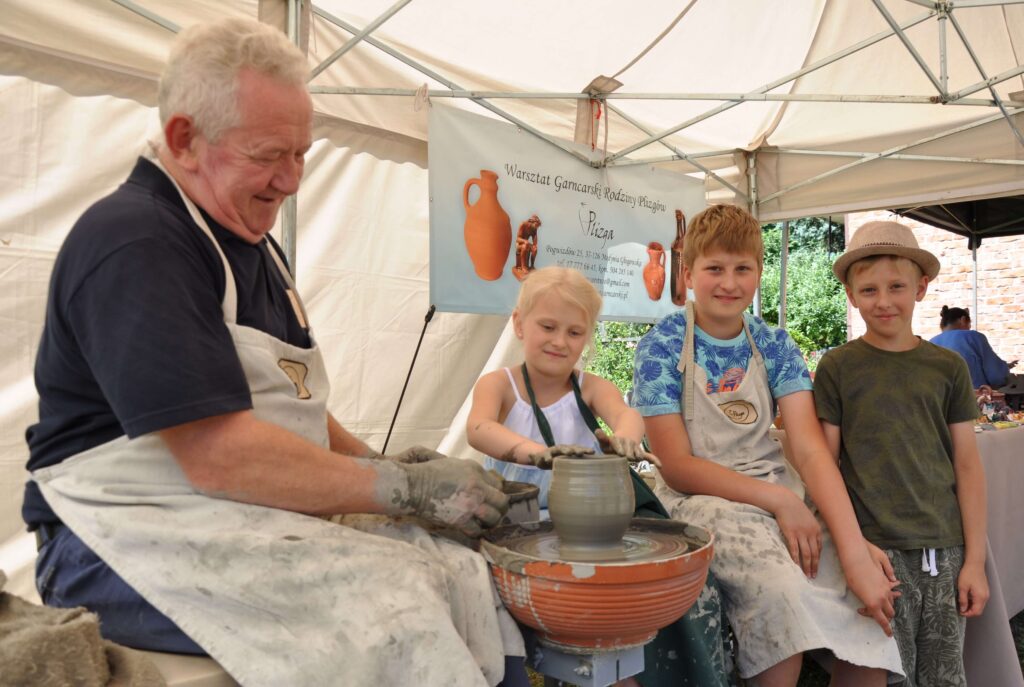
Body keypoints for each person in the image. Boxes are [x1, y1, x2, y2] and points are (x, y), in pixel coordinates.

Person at [24, 18, 525, 686]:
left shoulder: (254, 243)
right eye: (268, 155)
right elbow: (218, 453)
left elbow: (291, 413)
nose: (290, 181)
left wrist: (385, 468)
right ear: (185, 139)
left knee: (460, 567)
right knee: (390, 600)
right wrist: (399, 490)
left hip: (223, 511)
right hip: (112, 535)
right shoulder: (138, 240)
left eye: (301, 154)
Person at [632, 204, 903, 687]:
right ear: (689, 274)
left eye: (743, 269)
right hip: (703, 497)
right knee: (780, 592)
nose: (729, 283)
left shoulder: (775, 345)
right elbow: (675, 466)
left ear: (759, 272)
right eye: (714, 269)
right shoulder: (662, 347)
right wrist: (779, 502)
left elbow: (810, 450)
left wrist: (853, 547)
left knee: (866, 593)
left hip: (780, 488)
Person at [815, 221, 989, 687]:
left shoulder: (948, 367)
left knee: (942, 675)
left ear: (922, 288)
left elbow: (967, 465)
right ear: (851, 295)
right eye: (869, 289)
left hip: (945, 549)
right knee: (881, 672)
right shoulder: (836, 367)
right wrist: (851, 543)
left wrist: (974, 560)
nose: (883, 300)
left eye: (896, 287)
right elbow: (824, 465)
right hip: (876, 552)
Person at [466, 266, 651, 508]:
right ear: (519, 324)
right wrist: (537, 453)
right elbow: (478, 428)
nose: (560, 342)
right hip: (513, 518)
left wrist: (625, 439)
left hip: (583, 514)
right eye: (548, 327)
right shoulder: (499, 385)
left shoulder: (592, 389)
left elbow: (626, 414)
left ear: (586, 337)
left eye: (574, 332)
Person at [930, 305, 1017, 389]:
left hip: (939, 400)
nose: (969, 328)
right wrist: (1004, 369)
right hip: (972, 399)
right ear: (963, 320)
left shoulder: (931, 342)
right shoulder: (973, 337)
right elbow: (996, 375)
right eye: (969, 324)